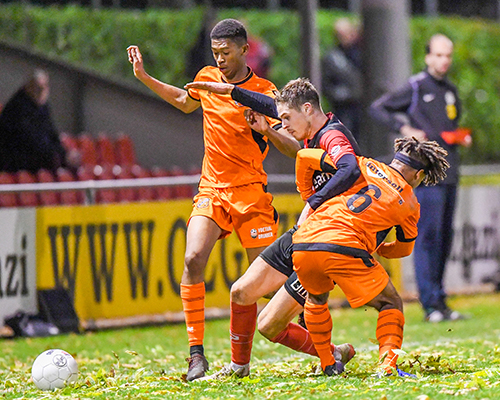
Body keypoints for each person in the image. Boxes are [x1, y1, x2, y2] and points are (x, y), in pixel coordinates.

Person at [127, 19, 300, 381]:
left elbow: (294, 146)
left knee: (265, 284)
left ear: (243, 49)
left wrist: (267, 129)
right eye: (215, 53)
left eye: (225, 53)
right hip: (212, 190)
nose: (219, 59)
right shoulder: (207, 77)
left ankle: (321, 345)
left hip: (251, 194)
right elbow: (183, 101)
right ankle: (196, 356)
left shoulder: (265, 92)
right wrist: (144, 76)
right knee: (192, 258)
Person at [185, 78, 361, 379]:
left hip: (332, 238)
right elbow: (268, 105)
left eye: (287, 120)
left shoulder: (332, 136)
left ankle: (344, 358)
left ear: (307, 109)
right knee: (240, 292)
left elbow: (351, 168)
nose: (284, 126)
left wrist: (314, 202)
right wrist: (228, 91)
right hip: (309, 233)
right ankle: (239, 369)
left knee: (268, 324)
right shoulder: (308, 126)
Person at [293, 137, 450, 376]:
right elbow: (403, 250)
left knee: (315, 298)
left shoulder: (360, 163)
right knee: (391, 302)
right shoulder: (409, 201)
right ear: (418, 175)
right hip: (345, 245)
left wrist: (309, 197)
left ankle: (328, 364)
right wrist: (380, 248)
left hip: (305, 240)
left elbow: (303, 157)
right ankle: (387, 366)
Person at [369, 34, 470, 323]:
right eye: (438, 55)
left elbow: (450, 124)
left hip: (450, 172)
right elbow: (379, 108)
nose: (444, 61)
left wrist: (461, 137)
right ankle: (429, 304)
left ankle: (440, 299)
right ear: (428, 57)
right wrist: (404, 126)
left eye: (447, 56)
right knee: (427, 236)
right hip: (425, 177)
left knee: (444, 239)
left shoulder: (449, 90)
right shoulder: (416, 87)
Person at [0, 70, 74, 173]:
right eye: (38, 87)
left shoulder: (43, 106)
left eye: (44, 87)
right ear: (29, 86)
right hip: (16, 159)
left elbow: (52, 134)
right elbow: (29, 138)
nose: (42, 91)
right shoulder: (18, 106)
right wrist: (55, 154)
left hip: (38, 154)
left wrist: (64, 153)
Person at [321, 18, 363, 138]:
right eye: (341, 34)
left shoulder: (361, 54)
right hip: (343, 108)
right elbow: (326, 85)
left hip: (361, 107)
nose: (346, 37)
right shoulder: (332, 57)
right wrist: (341, 95)